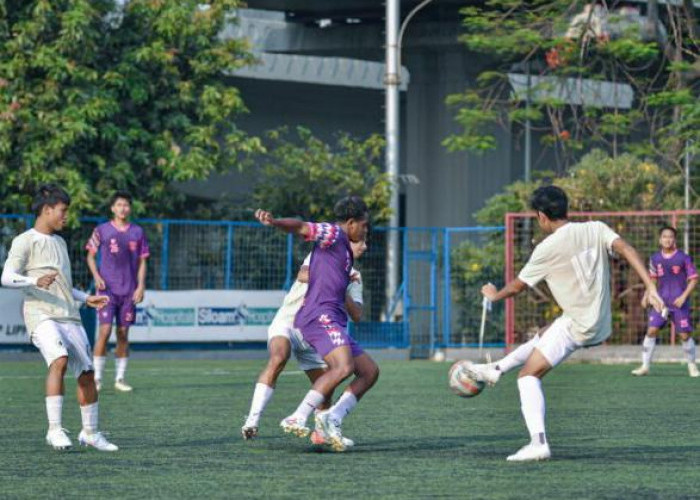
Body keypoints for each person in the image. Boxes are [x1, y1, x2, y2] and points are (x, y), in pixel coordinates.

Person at [466, 185, 663, 462]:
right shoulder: (595, 228)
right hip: (595, 321)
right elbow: (626, 248)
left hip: (580, 326)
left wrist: (494, 295)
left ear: (541, 216)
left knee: (528, 377)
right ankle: (496, 368)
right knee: (546, 332)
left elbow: (518, 286)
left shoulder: (546, 249)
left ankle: (538, 443)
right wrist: (650, 286)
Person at [254, 196, 380, 452]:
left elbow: (356, 313)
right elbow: (301, 227)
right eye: (364, 226)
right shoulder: (333, 233)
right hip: (318, 315)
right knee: (343, 367)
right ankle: (298, 415)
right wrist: (275, 221)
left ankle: (332, 418)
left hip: (332, 318)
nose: (366, 232)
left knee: (369, 371)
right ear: (352, 222)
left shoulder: (348, 258)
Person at [1, 184, 119, 451]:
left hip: (69, 315)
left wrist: (85, 298)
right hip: (40, 314)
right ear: (46, 210)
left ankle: (90, 433)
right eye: (63, 211)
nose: (66, 216)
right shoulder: (24, 240)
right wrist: (34, 280)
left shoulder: (61, 242)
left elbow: (64, 284)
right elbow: (6, 277)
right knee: (60, 359)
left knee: (87, 373)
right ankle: (54, 430)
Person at [241, 237, 367, 446]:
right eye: (359, 241)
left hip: (315, 333)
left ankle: (320, 432)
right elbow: (302, 274)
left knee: (326, 389)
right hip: (289, 321)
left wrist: (343, 287)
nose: (364, 246)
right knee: (278, 358)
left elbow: (357, 315)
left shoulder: (356, 277)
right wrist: (337, 277)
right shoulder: (324, 256)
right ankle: (252, 420)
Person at [86, 191, 150, 392]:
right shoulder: (102, 230)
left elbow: (142, 262)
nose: (123, 208)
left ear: (129, 208)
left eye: (126, 205)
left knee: (123, 334)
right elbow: (90, 256)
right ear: (112, 208)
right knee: (104, 331)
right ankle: (96, 379)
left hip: (129, 291)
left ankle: (120, 378)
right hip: (107, 291)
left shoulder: (138, 232)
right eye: (119, 205)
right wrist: (96, 276)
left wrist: (141, 286)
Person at [632, 226, 699, 377]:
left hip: (678, 303)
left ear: (674, 240)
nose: (667, 239)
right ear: (660, 240)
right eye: (664, 237)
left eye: (670, 237)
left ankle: (692, 366)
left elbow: (694, 279)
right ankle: (645, 366)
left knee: (684, 335)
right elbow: (652, 280)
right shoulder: (655, 258)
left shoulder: (683, 257)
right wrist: (646, 295)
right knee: (651, 331)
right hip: (660, 303)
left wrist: (683, 297)